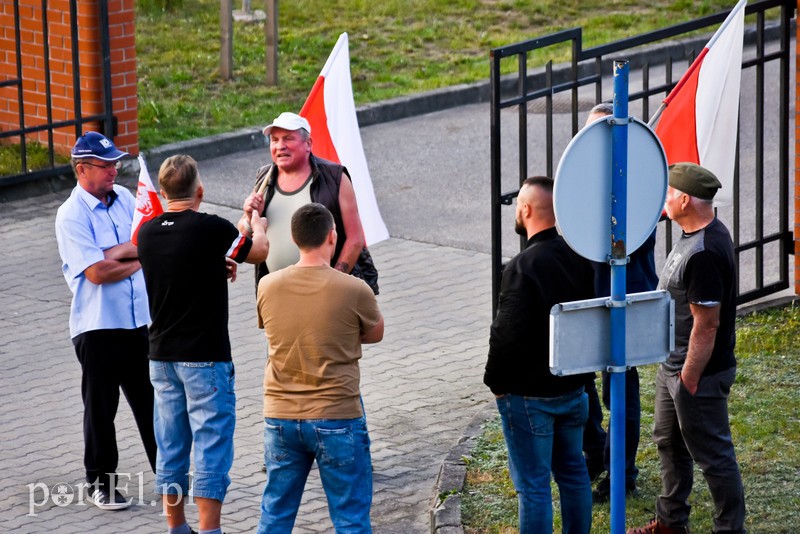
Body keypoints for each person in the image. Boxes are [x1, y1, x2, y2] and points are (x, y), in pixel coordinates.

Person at [137, 155, 269, 534]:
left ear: (162, 193)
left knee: (171, 445)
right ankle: (210, 530)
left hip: (161, 357)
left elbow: (182, 265)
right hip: (205, 358)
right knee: (211, 446)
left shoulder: (146, 233)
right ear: (200, 191)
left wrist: (219, 262)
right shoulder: (211, 229)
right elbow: (257, 250)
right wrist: (257, 224)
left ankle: (176, 528)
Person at [628, 163, 745, 534]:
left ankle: (730, 529)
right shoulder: (692, 233)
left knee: (713, 456)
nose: (664, 200)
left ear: (684, 199)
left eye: (668, 193)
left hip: (697, 374)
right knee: (669, 444)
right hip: (673, 367)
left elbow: (706, 325)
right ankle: (670, 522)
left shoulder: (704, 252)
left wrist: (689, 379)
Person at [255, 203, 384, 533]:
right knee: (350, 516)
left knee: (276, 512)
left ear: (295, 239)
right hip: (337, 415)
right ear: (332, 236)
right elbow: (375, 333)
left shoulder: (267, 285)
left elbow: (272, 328)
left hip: (280, 415)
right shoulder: (354, 288)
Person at [484, 176, 595, 534]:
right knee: (574, 473)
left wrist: (496, 383)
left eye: (518, 205)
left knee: (533, 486)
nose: (517, 211)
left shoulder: (521, 267)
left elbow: (506, 334)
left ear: (527, 209)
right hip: (574, 388)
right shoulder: (581, 256)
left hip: (531, 398)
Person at [55, 131, 157, 510]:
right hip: (97, 328)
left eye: (116, 162)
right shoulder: (71, 216)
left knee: (151, 402)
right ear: (82, 170)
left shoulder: (125, 199)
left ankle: (168, 476)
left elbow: (143, 242)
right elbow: (96, 272)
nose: (115, 169)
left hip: (137, 321)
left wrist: (124, 254)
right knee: (102, 407)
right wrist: (135, 252)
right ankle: (100, 483)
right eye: (106, 165)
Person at [581, 102, 658, 502]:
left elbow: (628, 243)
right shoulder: (585, 179)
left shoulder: (636, 182)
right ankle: (597, 453)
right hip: (587, 298)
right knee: (583, 383)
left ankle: (621, 474)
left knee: (619, 389)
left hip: (624, 300)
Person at [238, 111, 374, 291]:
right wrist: (249, 217)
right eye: (275, 140)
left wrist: (332, 283)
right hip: (277, 293)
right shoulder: (265, 178)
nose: (280, 146)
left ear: (308, 143)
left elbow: (355, 239)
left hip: (324, 291)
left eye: (288, 139)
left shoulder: (335, 178)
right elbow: (243, 237)